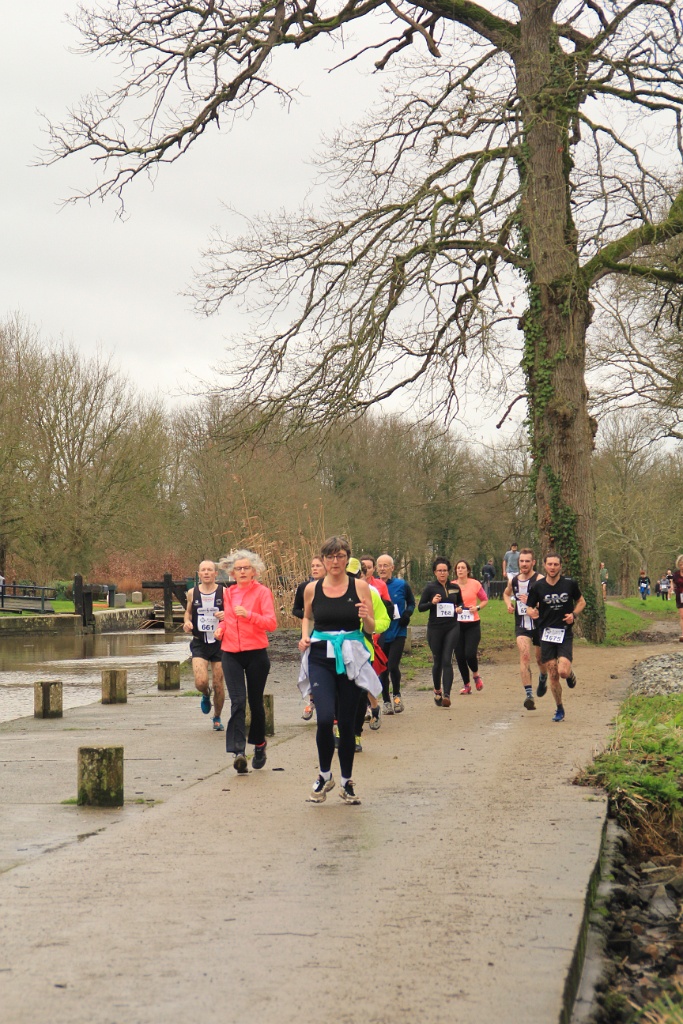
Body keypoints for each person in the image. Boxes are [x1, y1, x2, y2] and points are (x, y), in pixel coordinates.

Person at [298, 536, 378, 804]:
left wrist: (366, 616)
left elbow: (370, 628)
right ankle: (324, 775)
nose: (335, 561)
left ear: (347, 559)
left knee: (345, 723)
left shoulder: (360, 587)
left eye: (340, 556)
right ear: (322, 560)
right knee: (324, 719)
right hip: (320, 657)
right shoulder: (312, 589)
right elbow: (307, 616)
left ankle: (346, 782)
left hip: (351, 657)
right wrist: (305, 637)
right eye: (330, 557)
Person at [215, 549, 277, 773]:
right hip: (230, 652)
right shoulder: (229, 593)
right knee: (238, 701)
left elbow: (271, 623)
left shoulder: (262, 592)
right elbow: (228, 620)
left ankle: (259, 744)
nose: (242, 571)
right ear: (232, 572)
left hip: (256, 653)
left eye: (246, 568)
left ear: (254, 571)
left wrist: (249, 615)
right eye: (238, 568)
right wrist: (221, 628)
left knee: (255, 703)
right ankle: (238, 752)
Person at [526, 553, 586, 723]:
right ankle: (559, 708)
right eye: (550, 564)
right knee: (553, 674)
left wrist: (573, 615)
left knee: (563, 672)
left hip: (564, 632)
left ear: (560, 566)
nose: (552, 567)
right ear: (544, 565)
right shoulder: (538, 586)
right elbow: (528, 607)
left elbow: (582, 602)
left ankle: (570, 673)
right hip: (546, 634)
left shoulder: (569, 583)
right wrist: (532, 612)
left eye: (556, 564)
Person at [182, 560, 227, 732]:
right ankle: (205, 694)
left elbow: (231, 613)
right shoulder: (192, 593)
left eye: (210, 570)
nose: (206, 572)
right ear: (199, 574)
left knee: (218, 683)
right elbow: (188, 612)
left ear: (216, 573)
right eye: (203, 570)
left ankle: (217, 717)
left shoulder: (224, 592)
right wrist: (187, 623)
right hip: (200, 642)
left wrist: (225, 615)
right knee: (201, 681)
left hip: (220, 643)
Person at [353, 558, 390, 749]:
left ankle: (356, 734)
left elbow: (384, 620)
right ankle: (341, 730)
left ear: (362, 575)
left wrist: (370, 626)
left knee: (360, 694)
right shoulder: (329, 592)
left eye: (354, 575)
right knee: (339, 693)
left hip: (363, 651)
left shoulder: (370, 593)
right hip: (337, 653)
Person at [504, 549, 547, 710]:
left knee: (540, 659)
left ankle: (543, 676)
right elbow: (506, 594)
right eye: (521, 561)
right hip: (522, 625)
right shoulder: (514, 580)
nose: (524, 564)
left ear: (533, 562)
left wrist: (533, 602)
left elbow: (548, 602)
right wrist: (509, 604)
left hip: (539, 625)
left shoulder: (541, 580)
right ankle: (529, 695)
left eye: (527, 561)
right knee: (525, 655)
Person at [418, 558, 464, 708]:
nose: (442, 573)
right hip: (435, 629)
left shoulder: (455, 587)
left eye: (445, 570)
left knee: (447, 660)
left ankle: (447, 695)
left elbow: (461, 602)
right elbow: (420, 607)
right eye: (439, 571)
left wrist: (460, 608)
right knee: (437, 661)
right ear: (435, 572)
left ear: (448, 572)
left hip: (452, 627)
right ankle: (437, 690)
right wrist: (432, 603)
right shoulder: (430, 588)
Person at [376, 553, 415, 715]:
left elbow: (411, 602)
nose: (382, 569)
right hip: (380, 633)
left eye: (385, 565)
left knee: (392, 666)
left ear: (392, 568)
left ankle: (397, 695)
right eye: (380, 566)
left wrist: (407, 613)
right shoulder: (372, 586)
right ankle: (386, 701)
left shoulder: (401, 584)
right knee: (383, 669)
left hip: (398, 630)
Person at [292, 556, 325, 719]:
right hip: (309, 633)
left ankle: (328, 703)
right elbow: (295, 610)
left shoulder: (331, 588)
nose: (315, 568)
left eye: (318, 565)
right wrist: (308, 614)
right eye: (312, 566)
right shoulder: (304, 587)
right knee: (309, 669)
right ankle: (312, 701)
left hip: (327, 634)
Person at [453, 560, 488, 693]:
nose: (460, 570)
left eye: (463, 568)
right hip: (457, 624)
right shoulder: (452, 585)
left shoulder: (475, 584)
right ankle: (467, 685)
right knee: (460, 656)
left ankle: (476, 674)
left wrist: (477, 607)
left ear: (468, 570)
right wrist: (455, 609)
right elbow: (448, 603)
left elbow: (484, 599)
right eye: (458, 568)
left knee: (469, 653)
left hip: (472, 624)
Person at [673, 555, 683, 642]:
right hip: (680, 597)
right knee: (682, 615)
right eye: (680, 564)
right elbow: (672, 582)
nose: (682, 566)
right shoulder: (675, 574)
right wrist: (671, 588)